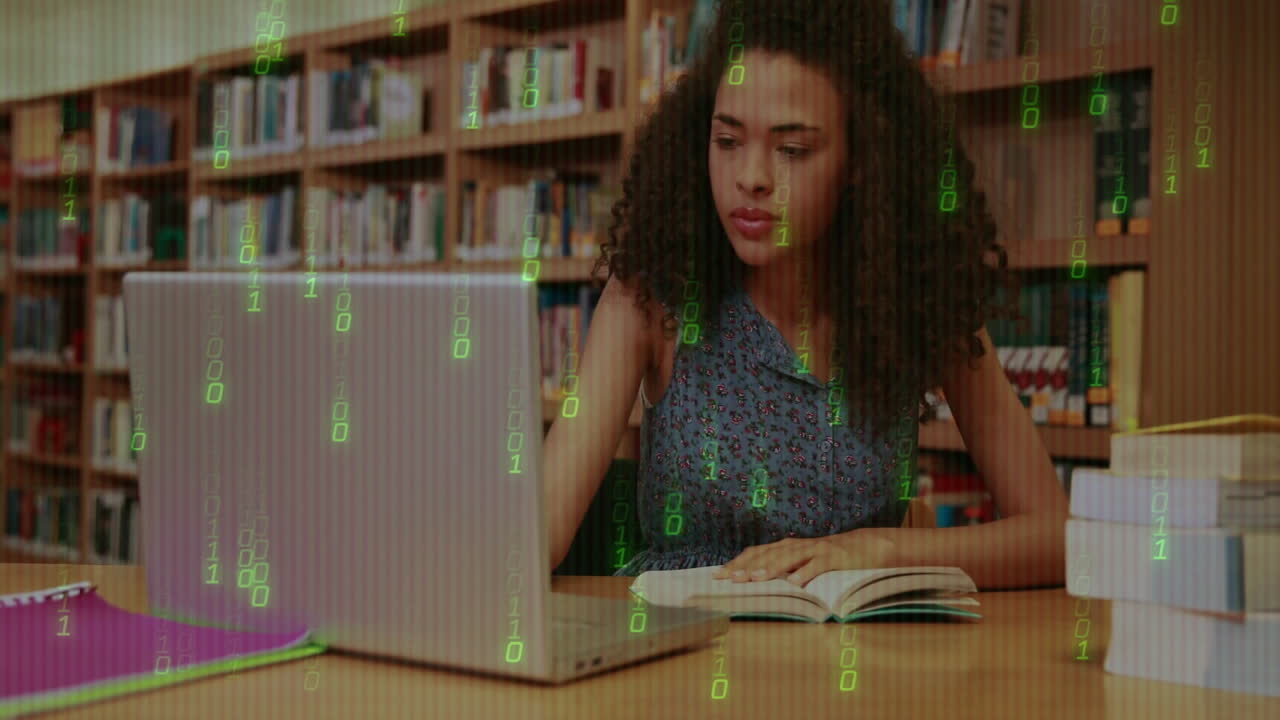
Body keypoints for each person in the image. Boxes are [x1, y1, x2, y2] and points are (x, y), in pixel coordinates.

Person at [543, 0, 1068, 589]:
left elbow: (1055, 535)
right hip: (684, 654)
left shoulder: (917, 293)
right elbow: (541, 528)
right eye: (727, 140)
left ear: (861, 161)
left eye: (792, 150)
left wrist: (885, 551)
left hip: (854, 660)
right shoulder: (651, 295)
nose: (752, 177)